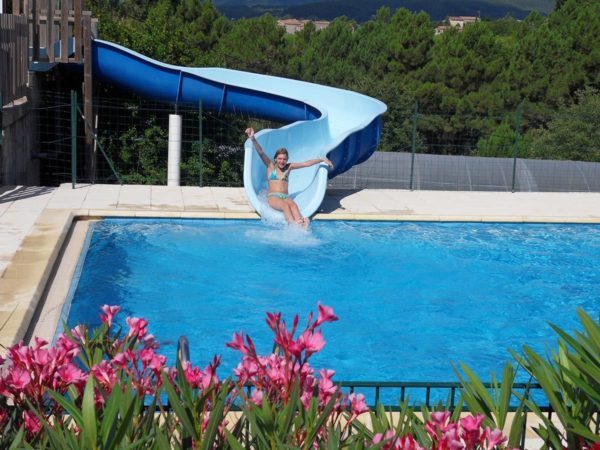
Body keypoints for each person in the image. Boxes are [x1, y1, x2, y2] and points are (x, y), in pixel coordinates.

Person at [245, 127, 333, 227]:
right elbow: (261, 152)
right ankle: (293, 225)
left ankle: (301, 224)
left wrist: (321, 160)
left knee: (293, 205)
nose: (282, 161)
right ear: (275, 159)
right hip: (273, 197)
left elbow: (305, 164)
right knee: (285, 206)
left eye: (284, 159)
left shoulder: (289, 167)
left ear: (287, 159)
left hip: (286, 197)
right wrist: (253, 138)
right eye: (280, 159)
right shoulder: (270, 167)